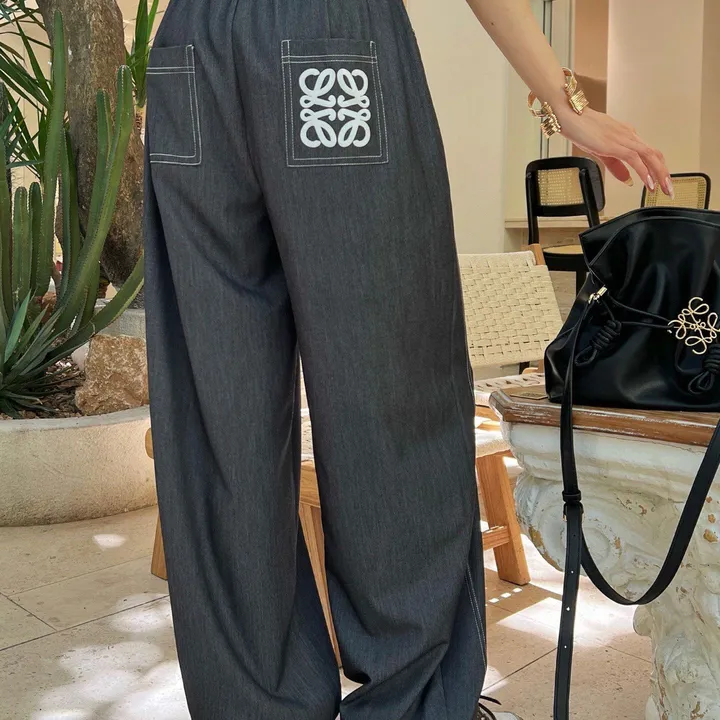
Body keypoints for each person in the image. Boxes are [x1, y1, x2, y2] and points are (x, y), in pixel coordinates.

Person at [143, 1, 669, 719]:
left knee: (218, 407)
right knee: (387, 394)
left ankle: (251, 706)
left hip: (190, 55)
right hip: (330, 47)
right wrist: (565, 102)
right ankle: (411, 702)